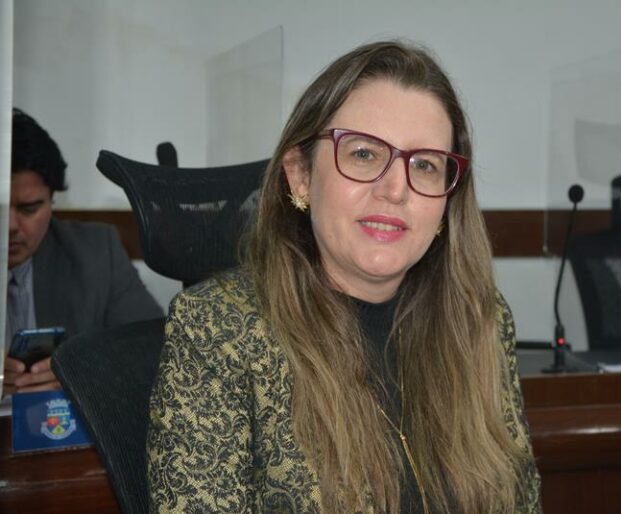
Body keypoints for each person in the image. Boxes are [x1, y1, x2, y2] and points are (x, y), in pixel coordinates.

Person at [148, 41, 541, 513]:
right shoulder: (220, 330)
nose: (395, 189)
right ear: (301, 176)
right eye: (363, 154)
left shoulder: (479, 319)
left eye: (425, 165)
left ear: (445, 201)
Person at [3, 108, 163, 396]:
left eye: (29, 209)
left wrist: (78, 374)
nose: (11, 226)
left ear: (52, 201)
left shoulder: (96, 253)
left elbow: (153, 350)